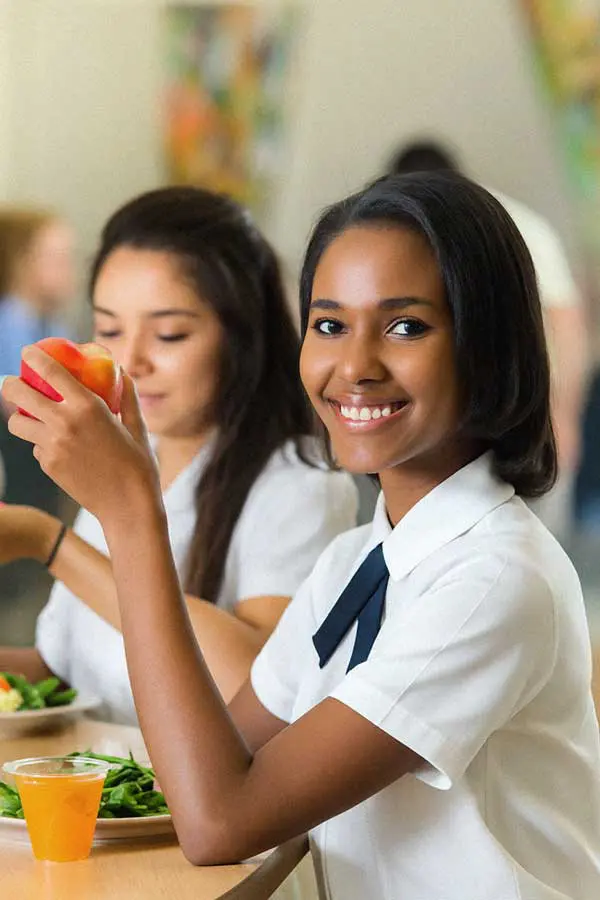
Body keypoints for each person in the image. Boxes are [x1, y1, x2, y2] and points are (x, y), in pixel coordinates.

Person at [3, 172, 600, 899]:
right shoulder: (358, 562)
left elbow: (220, 820)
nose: (354, 366)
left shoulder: (495, 581)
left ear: (490, 344)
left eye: (406, 326)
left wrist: (132, 516)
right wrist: (128, 494)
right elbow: (211, 756)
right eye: (328, 324)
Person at [0, 186, 358, 723]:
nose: (130, 359)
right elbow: (66, 672)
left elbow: (258, 684)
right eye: (109, 329)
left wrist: (51, 543)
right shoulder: (130, 452)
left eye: (169, 334)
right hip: (87, 790)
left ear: (242, 336)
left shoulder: (301, 483)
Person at [388, 140, 589, 542]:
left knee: (530, 546)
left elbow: (568, 327)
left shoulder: (519, 227)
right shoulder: (403, 231)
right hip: (461, 425)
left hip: (525, 415)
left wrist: (564, 415)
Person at [0, 208, 76, 517]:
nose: (70, 270)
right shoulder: (9, 322)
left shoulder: (55, 325)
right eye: (58, 259)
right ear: (23, 263)